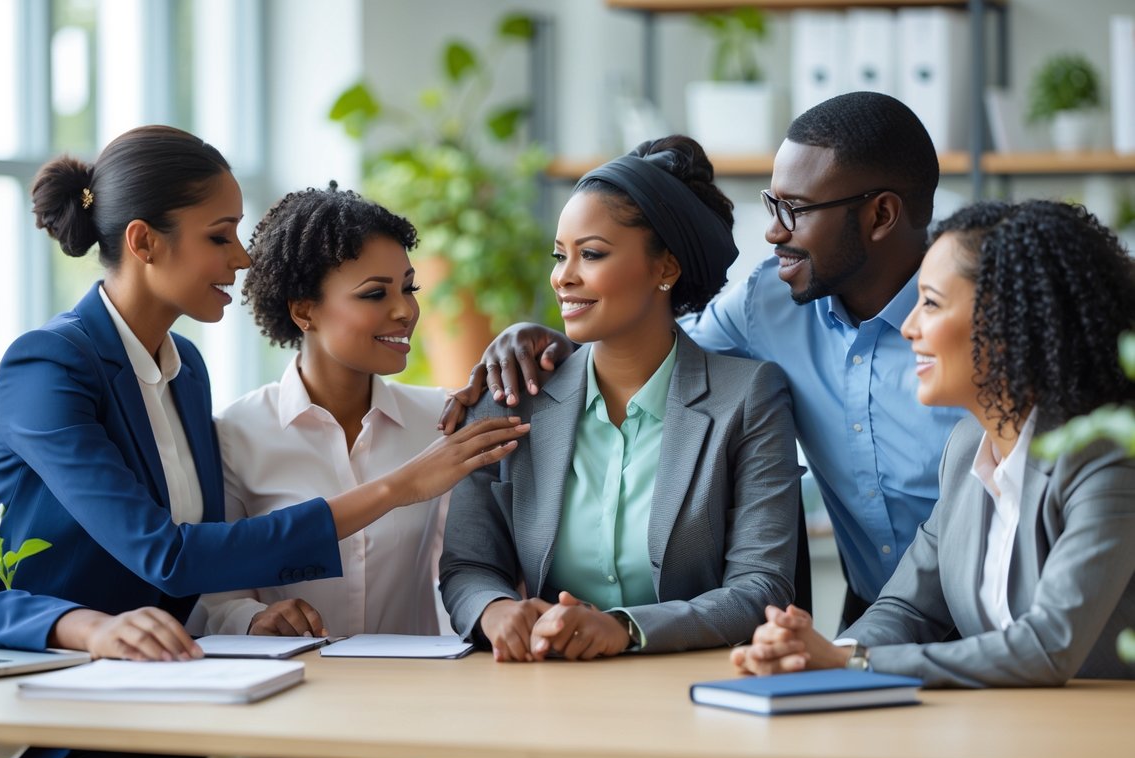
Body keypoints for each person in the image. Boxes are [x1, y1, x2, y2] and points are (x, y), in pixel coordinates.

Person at [0, 126, 528, 667]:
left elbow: (208, 567)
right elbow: (170, 556)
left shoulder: (186, 372)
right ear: (144, 242)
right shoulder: (48, 364)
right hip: (62, 677)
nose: (243, 257)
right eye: (219, 235)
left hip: (172, 676)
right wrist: (397, 487)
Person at [442, 92, 966, 629]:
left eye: (797, 210)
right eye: (772, 204)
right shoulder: (770, 302)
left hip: (992, 605)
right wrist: (542, 342)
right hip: (877, 612)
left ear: (881, 214)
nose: (773, 231)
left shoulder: (984, 322)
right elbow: (657, 346)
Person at [731, 199, 1135, 687]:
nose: (908, 327)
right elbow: (906, 607)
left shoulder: (1108, 460)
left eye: (931, 303)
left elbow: (1048, 646)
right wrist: (809, 654)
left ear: (1010, 322)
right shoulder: (968, 447)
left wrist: (851, 664)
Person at [439, 135, 801, 662]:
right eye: (560, 255)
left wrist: (626, 628)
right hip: (546, 688)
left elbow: (760, 586)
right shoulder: (513, 395)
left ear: (665, 268)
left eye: (591, 254)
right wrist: (494, 610)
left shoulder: (748, 398)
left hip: (693, 691)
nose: (563, 276)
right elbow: (469, 564)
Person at [189, 183, 452, 638]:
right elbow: (213, 593)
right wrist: (253, 618)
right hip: (293, 693)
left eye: (409, 289)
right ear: (304, 311)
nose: (405, 311)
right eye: (375, 294)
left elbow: (470, 568)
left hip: (413, 693)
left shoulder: (440, 421)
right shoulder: (236, 434)